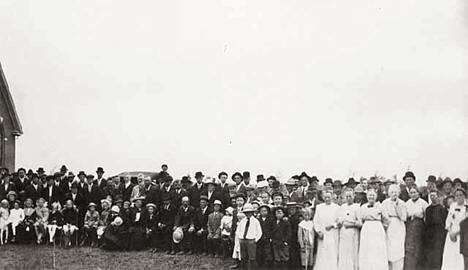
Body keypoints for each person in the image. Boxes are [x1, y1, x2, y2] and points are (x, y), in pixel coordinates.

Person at [359, 188, 389, 270]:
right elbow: (360, 219)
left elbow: (386, 219)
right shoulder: (363, 206)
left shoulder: (381, 206)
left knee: (377, 250)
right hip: (366, 229)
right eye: (369, 195)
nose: (371, 197)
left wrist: (382, 228)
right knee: (367, 250)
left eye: (373, 195)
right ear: (367, 196)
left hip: (377, 228)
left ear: (376, 196)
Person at [381, 184, 407, 270]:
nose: (394, 194)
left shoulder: (402, 203)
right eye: (392, 192)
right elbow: (384, 216)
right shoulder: (385, 203)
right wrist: (386, 225)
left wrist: (397, 206)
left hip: (399, 226)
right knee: (389, 248)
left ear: (398, 193)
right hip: (389, 226)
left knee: (398, 249)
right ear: (389, 193)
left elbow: (403, 217)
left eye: (395, 192)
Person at [314, 190, 340, 270]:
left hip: (333, 233)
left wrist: (332, 225)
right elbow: (316, 221)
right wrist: (318, 231)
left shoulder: (337, 207)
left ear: (332, 197)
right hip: (323, 234)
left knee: (332, 252)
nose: (327, 199)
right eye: (325, 197)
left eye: (329, 197)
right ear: (323, 198)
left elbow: (339, 221)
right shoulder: (319, 207)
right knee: (322, 253)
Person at [441, 188, 466, 270]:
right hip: (451, 235)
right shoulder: (453, 206)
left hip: (463, 235)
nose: (458, 197)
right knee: (449, 257)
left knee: (459, 258)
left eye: (461, 195)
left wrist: (456, 233)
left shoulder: (466, 207)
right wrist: (451, 232)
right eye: (457, 195)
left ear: (464, 196)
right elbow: (448, 221)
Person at [404, 186, 428, 270]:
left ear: (418, 193)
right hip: (410, 227)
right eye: (411, 193)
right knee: (410, 249)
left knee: (419, 249)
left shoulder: (423, 203)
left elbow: (426, 216)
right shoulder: (407, 203)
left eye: (415, 192)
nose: (413, 194)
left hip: (420, 227)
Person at [337, 188, 361, 270]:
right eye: (346, 196)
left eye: (350, 196)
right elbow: (339, 219)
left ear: (353, 197)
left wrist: (351, 224)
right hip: (343, 233)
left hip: (353, 234)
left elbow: (360, 223)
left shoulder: (357, 207)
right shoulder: (342, 207)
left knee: (352, 252)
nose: (348, 198)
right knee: (344, 252)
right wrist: (339, 223)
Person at [424, 190, 448, 270]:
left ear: (437, 196)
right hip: (430, 234)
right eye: (431, 196)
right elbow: (426, 222)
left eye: (434, 195)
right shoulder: (428, 209)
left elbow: (444, 222)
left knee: (438, 253)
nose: (432, 197)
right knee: (430, 254)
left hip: (439, 234)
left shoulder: (442, 209)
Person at [236, 203, 262, 270]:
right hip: (243, 240)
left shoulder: (256, 221)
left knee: (252, 257)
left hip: (251, 241)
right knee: (243, 257)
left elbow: (259, 232)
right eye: (246, 213)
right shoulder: (242, 221)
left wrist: (255, 240)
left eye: (249, 212)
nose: (248, 214)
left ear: (252, 212)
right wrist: (240, 238)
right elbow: (238, 230)